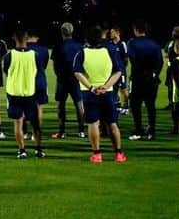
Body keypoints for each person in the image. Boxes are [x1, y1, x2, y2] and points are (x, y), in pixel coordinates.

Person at [73, 25, 127, 163]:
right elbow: (118, 71)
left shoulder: (82, 52)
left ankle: (97, 154)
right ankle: (118, 153)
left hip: (89, 93)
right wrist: (106, 86)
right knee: (112, 123)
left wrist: (91, 87)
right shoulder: (109, 51)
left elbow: (77, 72)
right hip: (107, 92)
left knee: (93, 123)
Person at [4, 29, 44, 158]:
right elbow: (38, 72)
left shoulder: (9, 56)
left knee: (18, 123)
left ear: (14, 39)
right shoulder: (34, 55)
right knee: (35, 123)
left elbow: (7, 71)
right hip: (30, 93)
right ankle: (38, 149)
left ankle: (22, 150)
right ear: (27, 39)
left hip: (14, 93)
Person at [126, 21, 163, 141]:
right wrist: (154, 73)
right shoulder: (154, 43)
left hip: (138, 78)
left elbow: (132, 59)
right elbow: (160, 61)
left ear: (136, 30)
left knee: (135, 105)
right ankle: (152, 131)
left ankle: (138, 130)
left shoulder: (132, 43)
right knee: (150, 105)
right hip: (152, 79)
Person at [51, 22, 85, 139]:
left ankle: (62, 131)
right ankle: (81, 130)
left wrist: (59, 76)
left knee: (61, 104)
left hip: (62, 79)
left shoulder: (58, 45)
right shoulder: (79, 45)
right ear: (72, 31)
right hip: (76, 78)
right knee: (79, 104)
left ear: (61, 32)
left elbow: (54, 64)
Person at [27, 29, 50, 147]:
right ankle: (35, 133)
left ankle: (24, 132)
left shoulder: (24, 48)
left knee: (24, 107)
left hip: (26, 81)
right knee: (39, 108)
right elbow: (44, 65)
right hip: (40, 80)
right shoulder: (44, 49)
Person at [164, 26, 179, 136]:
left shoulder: (175, 44)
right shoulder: (172, 43)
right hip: (176, 73)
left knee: (176, 101)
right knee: (177, 101)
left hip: (176, 73)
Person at [110, 27, 130, 114]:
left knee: (123, 88)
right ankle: (117, 106)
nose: (111, 34)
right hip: (112, 72)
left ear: (118, 33)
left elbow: (126, 59)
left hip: (121, 71)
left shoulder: (122, 44)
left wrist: (121, 68)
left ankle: (126, 107)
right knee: (114, 89)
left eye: (112, 32)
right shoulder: (110, 44)